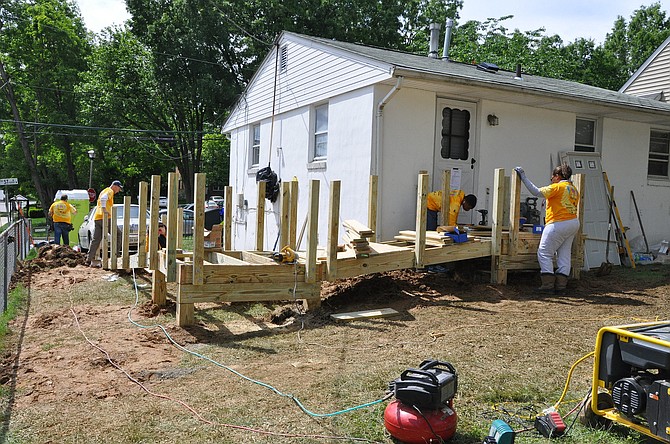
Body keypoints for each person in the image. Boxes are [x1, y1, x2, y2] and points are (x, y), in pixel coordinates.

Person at [514, 164, 580, 294]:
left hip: (558, 223)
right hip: (573, 222)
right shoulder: (573, 189)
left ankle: (548, 285)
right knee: (564, 254)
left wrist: (523, 177)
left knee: (544, 252)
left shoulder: (557, 187)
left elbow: (536, 192)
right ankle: (561, 286)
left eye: (553, 175)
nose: (551, 178)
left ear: (558, 176)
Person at [87, 180, 123, 267]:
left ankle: (88, 259)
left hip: (98, 217)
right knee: (118, 234)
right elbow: (103, 198)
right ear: (115, 186)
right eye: (119, 188)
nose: (118, 191)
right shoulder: (109, 191)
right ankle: (116, 255)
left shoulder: (104, 190)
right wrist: (104, 210)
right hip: (105, 218)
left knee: (96, 239)